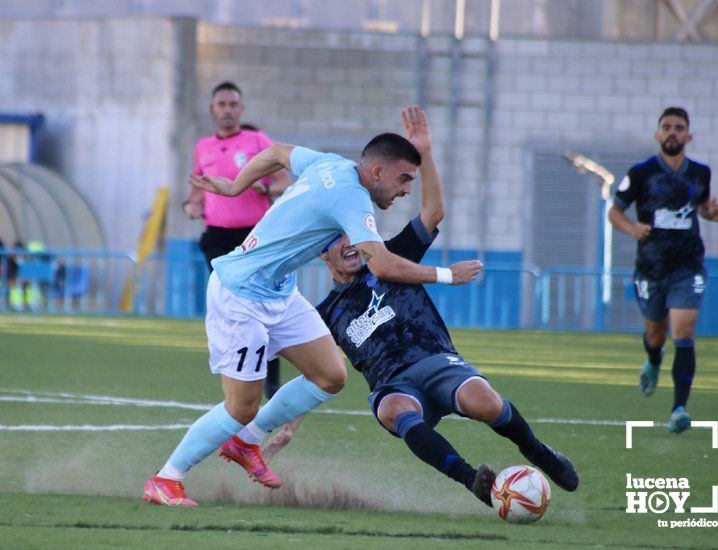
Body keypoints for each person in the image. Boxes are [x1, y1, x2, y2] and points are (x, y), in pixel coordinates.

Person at [143, 106, 470, 507]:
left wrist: (235, 187)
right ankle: (166, 478)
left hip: (279, 292)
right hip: (240, 294)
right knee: (240, 407)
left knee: (330, 375)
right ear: (378, 172)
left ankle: (246, 444)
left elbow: (278, 152)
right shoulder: (352, 198)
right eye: (404, 179)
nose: (405, 190)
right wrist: (447, 275)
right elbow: (381, 264)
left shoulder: (330, 164)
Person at [262, 107, 579, 507]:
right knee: (394, 410)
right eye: (337, 239)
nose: (348, 243)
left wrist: (425, 152)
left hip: (435, 360)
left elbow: (433, 212)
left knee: (484, 402)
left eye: (352, 235)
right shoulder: (324, 314)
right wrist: (287, 430)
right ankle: (472, 480)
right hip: (392, 385)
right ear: (320, 252)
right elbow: (318, 376)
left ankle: (536, 451)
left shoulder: (394, 257)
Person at [608, 106, 718, 434]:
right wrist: (632, 228)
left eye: (678, 128)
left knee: (683, 333)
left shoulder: (700, 172)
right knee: (656, 334)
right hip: (650, 268)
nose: (672, 132)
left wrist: (711, 213)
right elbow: (614, 212)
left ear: (688, 136)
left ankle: (679, 409)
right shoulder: (641, 172)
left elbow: (700, 206)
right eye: (667, 127)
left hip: (688, 266)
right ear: (657, 134)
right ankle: (653, 359)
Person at [183, 81, 292, 398]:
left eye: (233, 104)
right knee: (230, 308)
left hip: (254, 237)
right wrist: (190, 206)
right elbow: (197, 191)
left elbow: (284, 181)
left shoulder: (257, 140)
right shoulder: (203, 147)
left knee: (259, 306)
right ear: (212, 109)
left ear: (241, 109)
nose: (228, 110)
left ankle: (269, 380)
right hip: (217, 237)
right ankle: (238, 376)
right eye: (222, 104)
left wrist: (266, 188)